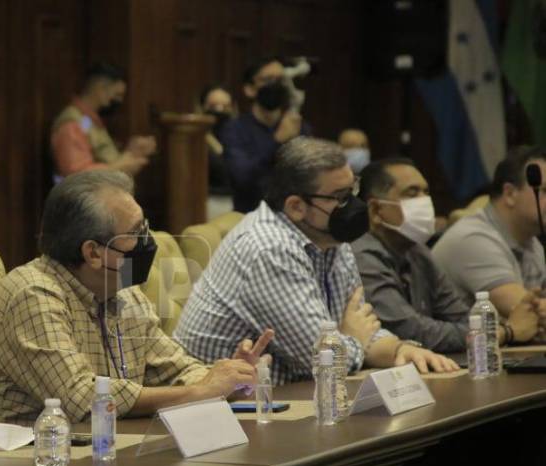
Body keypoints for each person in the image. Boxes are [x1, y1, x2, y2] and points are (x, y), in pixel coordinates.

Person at [0, 169, 273, 425]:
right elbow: (83, 400)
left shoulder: (124, 292)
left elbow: (174, 368)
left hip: (101, 451)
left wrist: (230, 377)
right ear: (94, 253)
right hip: (19, 462)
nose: (147, 240)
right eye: (137, 232)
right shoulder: (33, 292)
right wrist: (199, 392)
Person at [174, 137, 457, 384]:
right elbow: (325, 361)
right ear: (296, 207)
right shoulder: (267, 249)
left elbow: (362, 326)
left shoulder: (331, 238)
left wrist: (399, 350)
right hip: (224, 408)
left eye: (353, 191)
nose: (354, 207)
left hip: (293, 398)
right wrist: (354, 340)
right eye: (340, 197)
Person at [352, 158, 538, 353]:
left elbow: (463, 317)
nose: (424, 201)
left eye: (426, 192)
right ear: (375, 210)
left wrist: (490, 332)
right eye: (412, 193)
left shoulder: (418, 252)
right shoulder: (361, 255)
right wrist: (504, 333)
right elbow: (410, 331)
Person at [433, 146, 546, 320]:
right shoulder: (472, 239)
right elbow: (528, 313)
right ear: (509, 194)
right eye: (544, 191)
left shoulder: (531, 241)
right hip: (454, 346)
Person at [221, 57, 311, 213]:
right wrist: (277, 141)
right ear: (250, 88)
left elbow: (309, 177)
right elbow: (243, 179)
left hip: (294, 218)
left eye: (281, 79)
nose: (276, 85)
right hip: (248, 217)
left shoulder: (299, 127)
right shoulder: (235, 129)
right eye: (269, 79)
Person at [50, 62, 156, 180]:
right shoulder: (72, 123)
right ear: (100, 88)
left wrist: (131, 152)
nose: (118, 101)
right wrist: (123, 164)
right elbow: (76, 176)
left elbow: (100, 153)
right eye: (117, 94)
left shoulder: (89, 120)